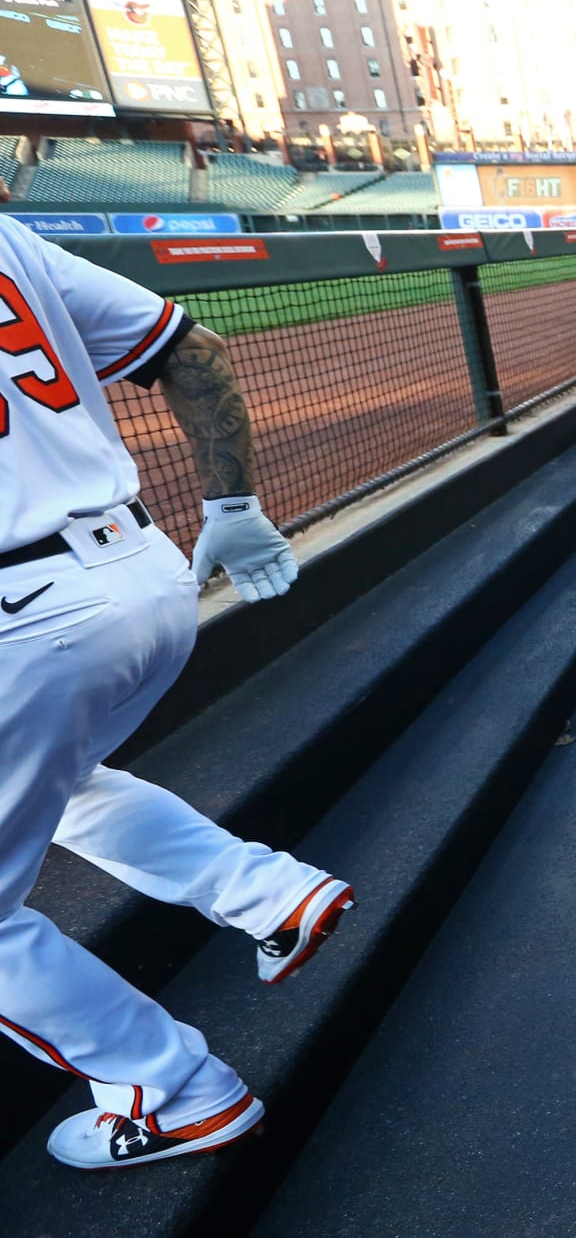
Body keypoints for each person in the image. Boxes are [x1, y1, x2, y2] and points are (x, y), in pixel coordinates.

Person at [0, 215, 356, 1169]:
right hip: (144, 578)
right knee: (62, 783)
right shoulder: (8, 237)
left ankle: (175, 1094)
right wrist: (234, 509)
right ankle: (269, 891)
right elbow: (190, 348)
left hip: (23, 624)